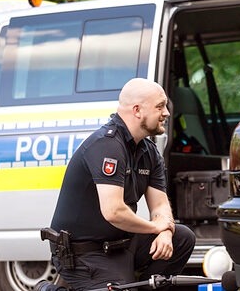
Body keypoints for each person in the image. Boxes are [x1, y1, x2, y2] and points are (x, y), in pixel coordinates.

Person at [48, 78, 195, 290]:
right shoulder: (107, 145)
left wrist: (165, 231)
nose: (167, 113)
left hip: (121, 244)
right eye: (160, 106)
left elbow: (160, 205)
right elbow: (113, 212)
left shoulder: (149, 151)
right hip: (84, 254)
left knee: (182, 238)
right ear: (137, 110)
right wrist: (155, 227)